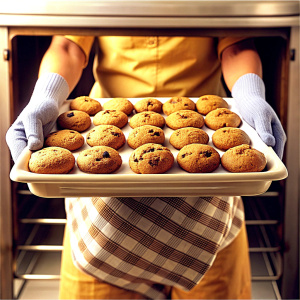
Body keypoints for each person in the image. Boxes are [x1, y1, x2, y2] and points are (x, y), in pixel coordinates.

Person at [6, 35, 286, 299]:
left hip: (208, 184)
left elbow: (236, 45)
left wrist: (249, 95)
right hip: (103, 187)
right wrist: (45, 96)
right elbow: (68, 45)